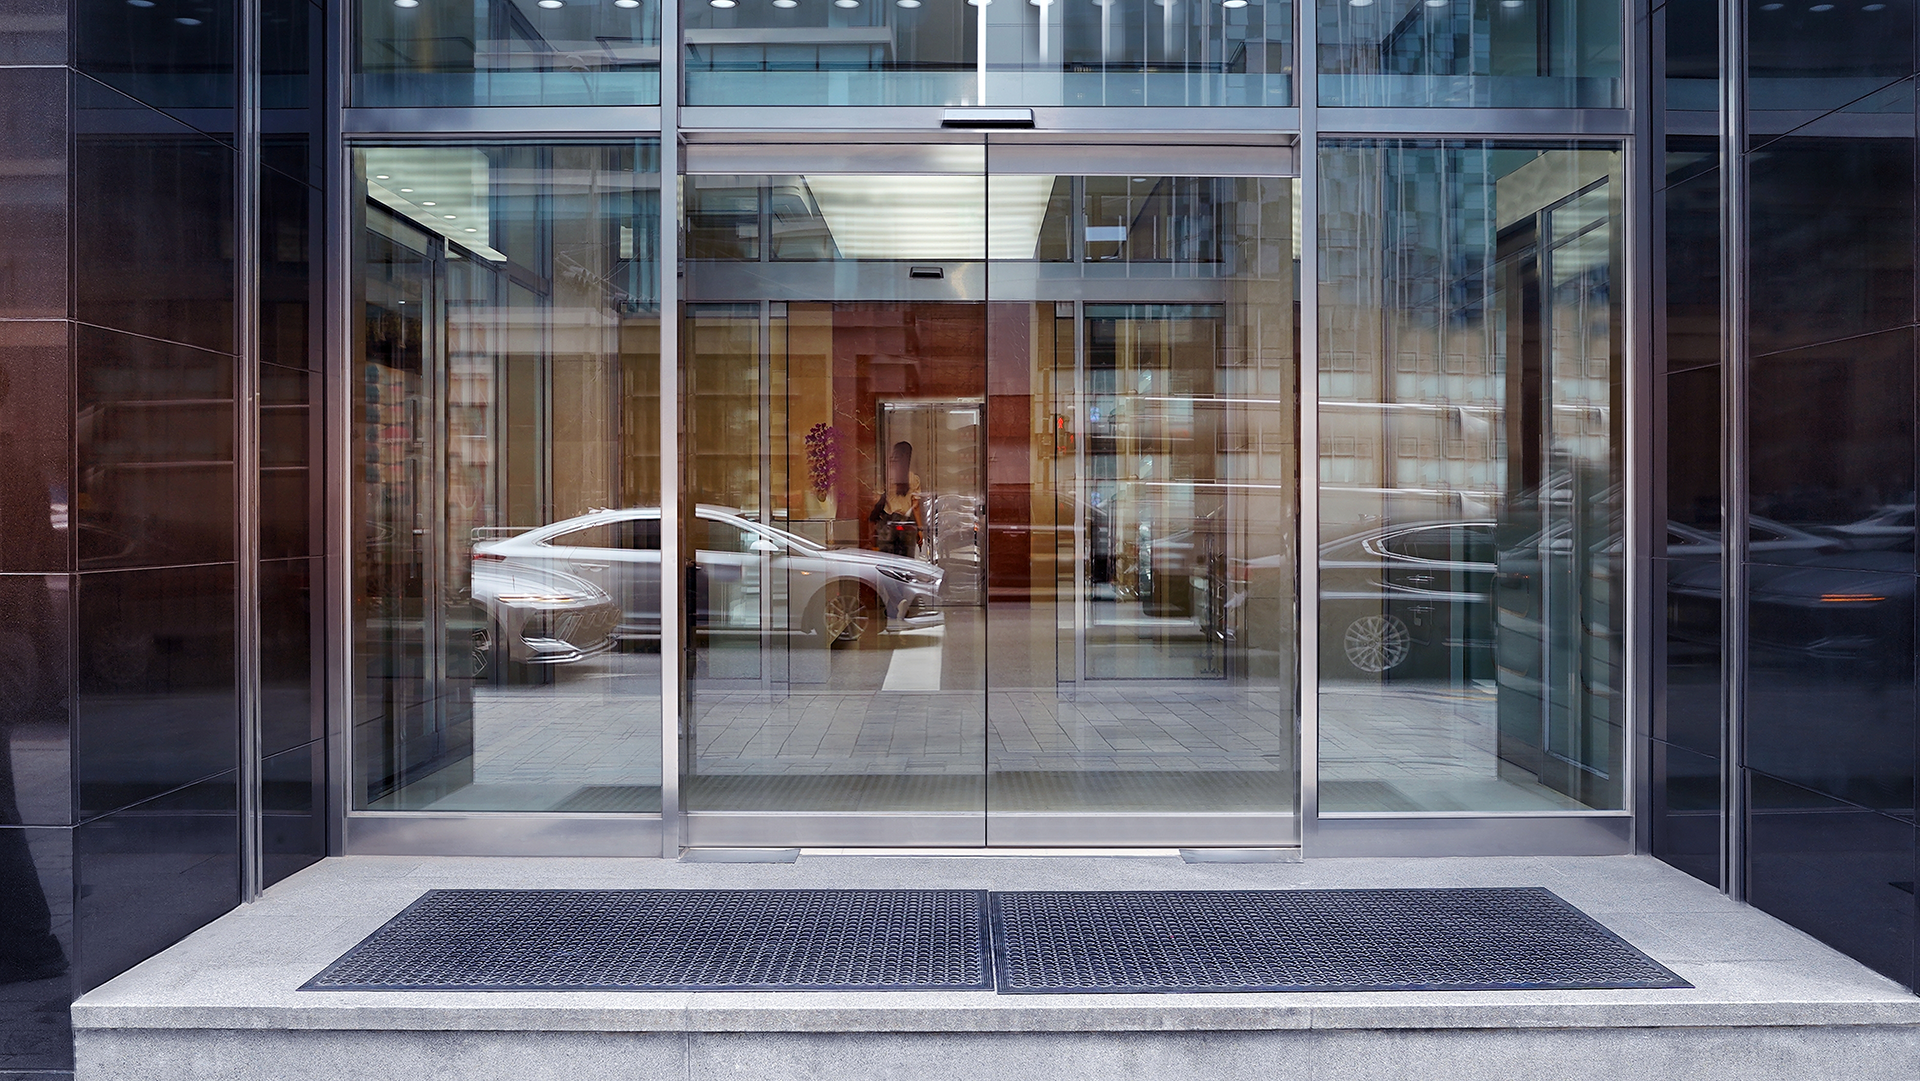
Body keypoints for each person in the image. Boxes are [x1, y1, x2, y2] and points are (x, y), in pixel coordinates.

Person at [869, 440, 924, 558]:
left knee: (886, 559)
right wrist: (920, 529)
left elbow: (875, 499)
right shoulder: (913, 478)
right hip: (905, 522)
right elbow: (916, 506)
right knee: (906, 560)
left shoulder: (887, 477)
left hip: (888, 521)